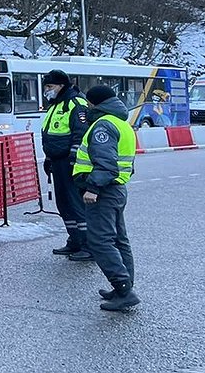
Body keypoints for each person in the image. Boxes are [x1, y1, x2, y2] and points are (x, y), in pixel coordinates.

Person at [73, 84, 139, 312]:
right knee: (119, 239)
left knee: (100, 241)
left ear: (94, 104)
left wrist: (93, 188)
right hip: (117, 189)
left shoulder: (103, 125)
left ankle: (123, 290)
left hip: (104, 190)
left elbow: (105, 162)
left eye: (88, 103)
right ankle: (125, 284)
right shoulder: (122, 123)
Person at [39, 69, 92, 261]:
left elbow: (81, 134)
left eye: (50, 86)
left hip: (71, 163)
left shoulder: (75, 104)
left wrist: (73, 159)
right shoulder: (56, 104)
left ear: (61, 86)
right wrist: (49, 158)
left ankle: (88, 244)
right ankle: (75, 240)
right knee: (63, 203)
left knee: (75, 203)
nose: (47, 90)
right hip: (57, 161)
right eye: (46, 87)